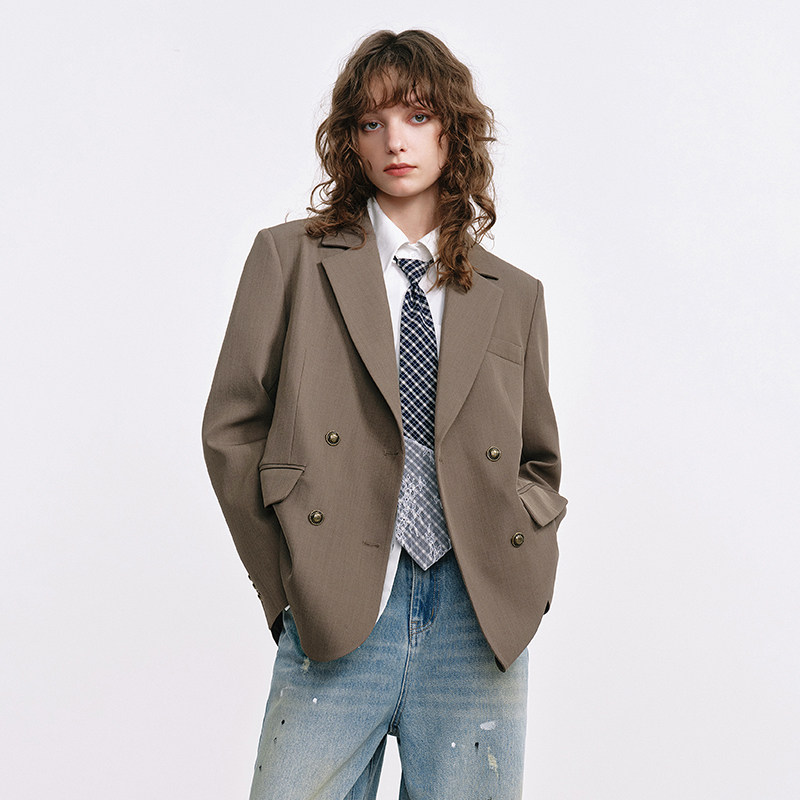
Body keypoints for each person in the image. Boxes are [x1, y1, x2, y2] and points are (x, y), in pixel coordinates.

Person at [202, 28, 567, 800]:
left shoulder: (515, 295)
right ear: (352, 141)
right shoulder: (290, 259)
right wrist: (286, 589)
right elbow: (232, 429)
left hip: (477, 617)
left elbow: (538, 458)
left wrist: (523, 575)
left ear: (452, 132)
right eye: (373, 123)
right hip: (338, 601)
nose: (396, 141)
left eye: (418, 116)